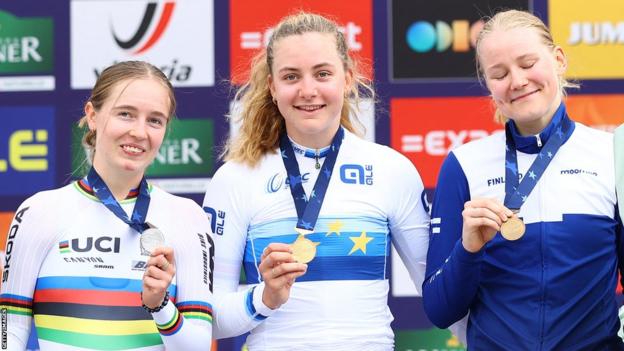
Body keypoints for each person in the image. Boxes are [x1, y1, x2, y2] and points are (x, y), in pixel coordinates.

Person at [202, 12, 430, 350]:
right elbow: (210, 318)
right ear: (272, 87)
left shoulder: (391, 170)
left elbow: (440, 294)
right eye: (291, 76)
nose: (308, 90)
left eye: (322, 74)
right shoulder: (235, 179)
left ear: (347, 79)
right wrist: (264, 297)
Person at [423, 9, 624, 350]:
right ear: (488, 85)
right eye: (499, 73)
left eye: (528, 63)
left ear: (558, 59)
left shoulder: (612, 154)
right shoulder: (464, 164)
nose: (517, 81)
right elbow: (440, 310)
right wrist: (469, 249)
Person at [0, 61, 213, 350]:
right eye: (125, 114)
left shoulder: (187, 218)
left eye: (155, 120)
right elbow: (8, 329)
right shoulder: (39, 212)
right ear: (92, 115)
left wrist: (161, 306)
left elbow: (198, 347)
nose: (139, 132)